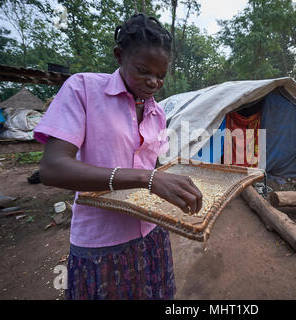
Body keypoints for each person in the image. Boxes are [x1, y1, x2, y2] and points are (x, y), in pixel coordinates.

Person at [34, 13, 203, 300]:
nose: (153, 82)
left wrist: (174, 181)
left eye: (161, 76)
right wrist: (147, 179)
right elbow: (52, 167)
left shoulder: (157, 112)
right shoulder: (83, 89)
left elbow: (153, 163)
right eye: (143, 70)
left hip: (151, 231)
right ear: (119, 55)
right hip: (102, 240)